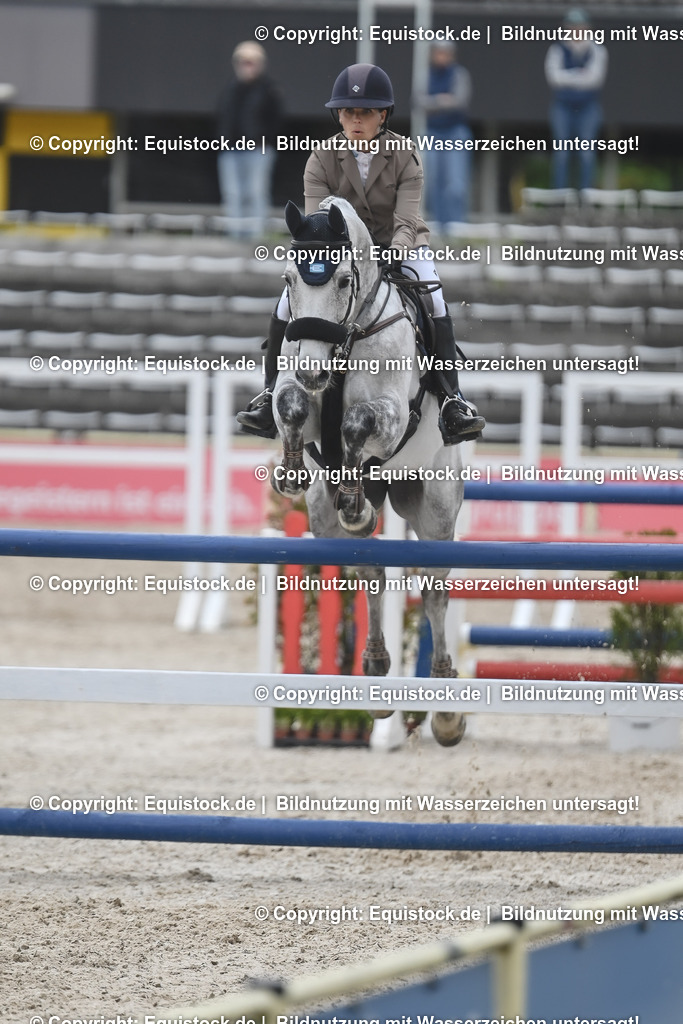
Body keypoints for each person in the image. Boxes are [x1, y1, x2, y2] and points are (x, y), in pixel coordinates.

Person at [237, 62, 485, 446]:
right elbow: (318, 225)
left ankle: (453, 400)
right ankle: (269, 392)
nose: (355, 120)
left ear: (382, 115)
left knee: (434, 301)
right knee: (286, 303)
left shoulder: (406, 155)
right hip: (338, 253)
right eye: (349, 112)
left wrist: (389, 255)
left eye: (364, 112)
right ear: (339, 114)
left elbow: (406, 221)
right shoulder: (320, 158)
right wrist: (351, 258)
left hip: (398, 246)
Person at [216, 41, 284, 238]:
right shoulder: (230, 89)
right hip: (231, 150)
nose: (247, 67)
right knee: (233, 194)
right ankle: (235, 236)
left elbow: (275, 121)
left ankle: (255, 237)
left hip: (257, 150)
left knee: (255, 193)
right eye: (243, 62)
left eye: (251, 62)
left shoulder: (268, 90)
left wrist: (265, 141)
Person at [545, 8, 608, 190]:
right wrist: (580, 75)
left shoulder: (597, 50)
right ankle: (559, 198)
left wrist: (568, 77)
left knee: (587, 152)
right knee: (561, 152)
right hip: (562, 107)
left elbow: (595, 79)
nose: (576, 30)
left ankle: (586, 196)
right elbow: (555, 79)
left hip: (588, 107)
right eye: (572, 26)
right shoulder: (557, 49)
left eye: (580, 26)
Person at [416, 41, 473, 230]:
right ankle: (439, 229)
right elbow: (418, 101)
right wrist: (443, 100)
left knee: (455, 183)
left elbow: (460, 101)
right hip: (432, 133)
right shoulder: (424, 75)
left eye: (445, 53)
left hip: (455, 132)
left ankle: (457, 228)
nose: (442, 57)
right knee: (432, 180)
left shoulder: (459, 74)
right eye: (439, 53)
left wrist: (435, 102)